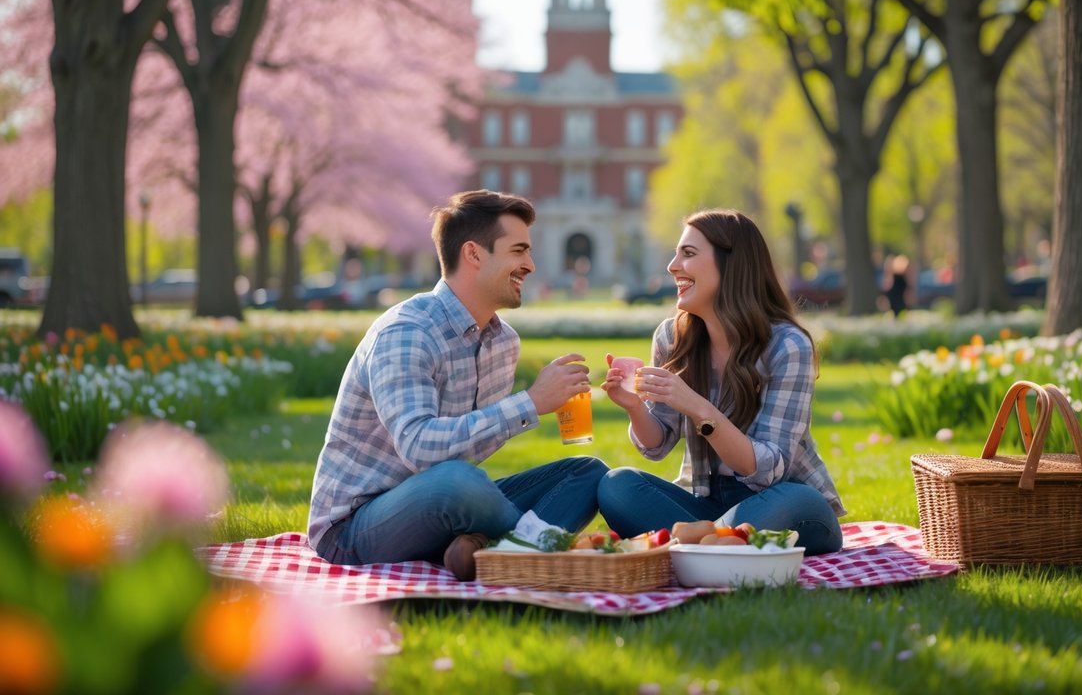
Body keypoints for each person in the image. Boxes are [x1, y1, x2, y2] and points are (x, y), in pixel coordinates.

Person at [308, 190, 608, 580]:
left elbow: (471, 446)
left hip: (439, 507)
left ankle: (491, 548)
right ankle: (527, 548)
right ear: (473, 254)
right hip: (353, 528)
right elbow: (420, 449)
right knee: (458, 481)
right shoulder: (408, 331)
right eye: (518, 251)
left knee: (587, 473)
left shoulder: (503, 343)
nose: (531, 265)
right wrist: (530, 403)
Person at [598, 209, 845, 554]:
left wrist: (697, 407)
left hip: (780, 502)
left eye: (688, 254)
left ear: (731, 265)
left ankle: (695, 544)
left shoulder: (787, 345)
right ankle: (715, 543)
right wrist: (635, 408)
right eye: (676, 253)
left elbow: (767, 470)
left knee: (798, 499)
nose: (672, 266)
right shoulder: (672, 337)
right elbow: (657, 445)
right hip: (705, 502)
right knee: (617, 485)